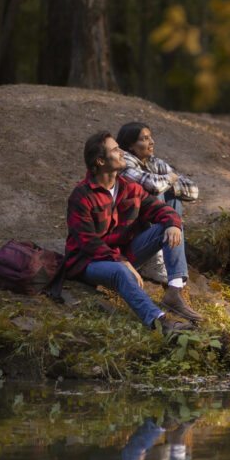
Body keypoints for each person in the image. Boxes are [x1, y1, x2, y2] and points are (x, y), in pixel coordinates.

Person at [65, 131, 203, 331]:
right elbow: (88, 243)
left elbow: (160, 210)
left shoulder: (129, 188)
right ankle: (161, 323)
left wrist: (173, 223)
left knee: (169, 224)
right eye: (115, 149)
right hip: (88, 262)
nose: (122, 152)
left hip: (125, 257)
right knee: (121, 270)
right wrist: (121, 261)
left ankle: (174, 290)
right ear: (101, 161)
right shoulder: (81, 196)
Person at [116, 122, 198, 282]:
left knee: (174, 197)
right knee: (156, 193)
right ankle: (156, 260)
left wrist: (168, 184)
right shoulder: (123, 162)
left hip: (150, 230)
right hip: (132, 241)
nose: (152, 142)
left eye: (150, 137)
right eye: (145, 139)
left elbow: (193, 190)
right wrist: (169, 179)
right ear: (131, 146)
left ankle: (173, 272)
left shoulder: (154, 162)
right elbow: (154, 186)